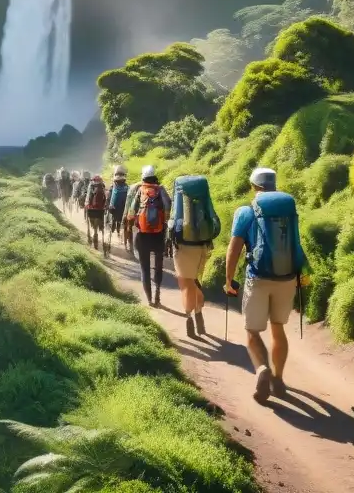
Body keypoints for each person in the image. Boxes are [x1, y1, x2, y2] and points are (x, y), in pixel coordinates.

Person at [224, 167, 307, 405]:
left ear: (254, 187)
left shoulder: (246, 212)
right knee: (278, 328)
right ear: (274, 185)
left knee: (252, 332)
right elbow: (295, 244)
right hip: (287, 278)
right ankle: (278, 378)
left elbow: (234, 249)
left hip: (258, 278)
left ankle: (262, 369)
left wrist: (228, 280)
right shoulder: (287, 210)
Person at [168, 175, 220, 339]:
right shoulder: (203, 195)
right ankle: (199, 314)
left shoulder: (179, 194)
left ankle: (189, 318)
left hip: (183, 247)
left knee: (186, 284)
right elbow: (214, 222)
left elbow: (172, 221)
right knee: (195, 281)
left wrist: (168, 240)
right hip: (203, 246)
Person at [128, 164, 171, 307]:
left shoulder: (140, 190)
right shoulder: (161, 189)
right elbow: (168, 204)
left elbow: (131, 212)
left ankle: (149, 299)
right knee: (158, 266)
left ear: (143, 177)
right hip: (159, 234)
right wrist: (164, 220)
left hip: (143, 236)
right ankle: (158, 292)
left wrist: (132, 220)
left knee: (144, 268)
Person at [106, 166, 130, 253]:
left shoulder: (113, 187)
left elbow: (109, 199)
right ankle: (123, 241)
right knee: (122, 223)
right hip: (123, 209)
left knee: (111, 221)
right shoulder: (127, 187)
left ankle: (110, 239)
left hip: (113, 209)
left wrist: (107, 207)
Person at [84, 174, 107, 252]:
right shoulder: (102, 185)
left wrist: (86, 204)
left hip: (91, 209)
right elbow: (105, 197)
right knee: (98, 225)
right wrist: (105, 206)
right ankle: (98, 232)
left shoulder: (91, 185)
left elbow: (88, 196)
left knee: (93, 225)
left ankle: (94, 234)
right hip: (100, 209)